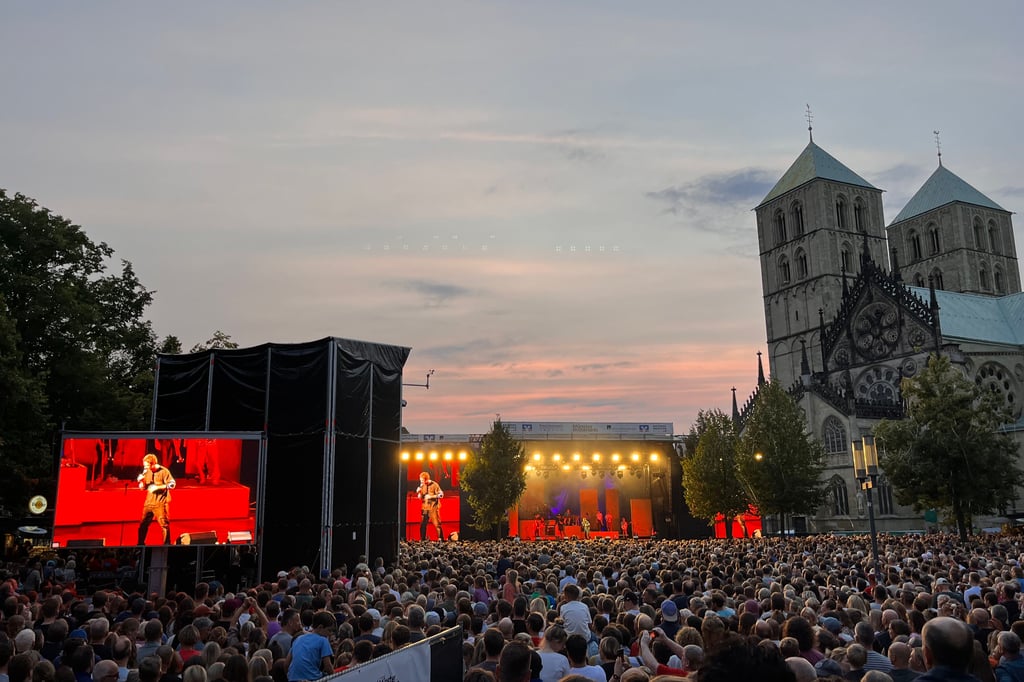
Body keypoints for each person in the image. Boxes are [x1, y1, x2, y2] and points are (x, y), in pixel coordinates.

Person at [137, 454, 175, 545]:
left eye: (147, 466)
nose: (145, 468)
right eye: (144, 466)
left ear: (153, 464)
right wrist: (141, 482)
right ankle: (140, 544)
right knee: (143, 525)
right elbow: (143, 488)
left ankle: (166, 545)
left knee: (164, 525)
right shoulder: (146, 471)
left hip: (160, 503)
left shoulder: (164, 471)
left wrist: (158, 487)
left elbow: (172, 484)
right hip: (149, 503)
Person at [416, 471, 443, 541]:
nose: (421, 482)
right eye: (420, 480)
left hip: (433, 508)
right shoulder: (422, 486)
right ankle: (422, 539)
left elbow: (441, 495)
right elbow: (420, 497)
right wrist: (419, 493)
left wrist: (431, 496)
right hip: (424, 508)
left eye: (422, 480)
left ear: (426, 479)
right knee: (422, 525)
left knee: (437, 524)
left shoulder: (434, 484)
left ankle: (440, 539)